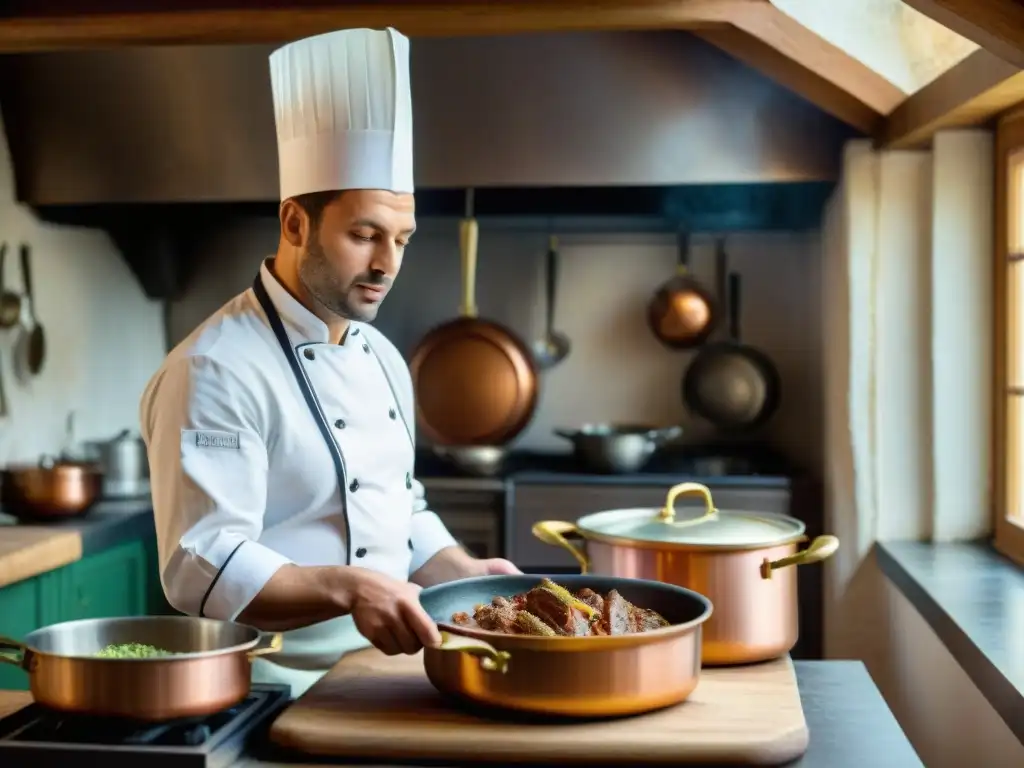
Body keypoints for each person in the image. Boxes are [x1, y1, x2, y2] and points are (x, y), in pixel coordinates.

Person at [139, 26, 519, 697]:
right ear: (294, 224)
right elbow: (202, 565)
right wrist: (348, 588)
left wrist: (461, 570)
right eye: (364, 234)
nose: (387, 264)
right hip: (271, 686)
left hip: (384, 677)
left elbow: (396, 508)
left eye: (401, 238)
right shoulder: (217, 368)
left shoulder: (382, 359)